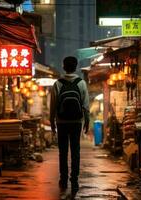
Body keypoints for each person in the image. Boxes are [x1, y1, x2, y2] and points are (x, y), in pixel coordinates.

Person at [50, 56, 89, 195]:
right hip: (76, 122)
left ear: (63, 66)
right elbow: (85, 105)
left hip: (61, 122)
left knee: (63, 152)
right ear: (76, 66)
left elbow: (53, 106)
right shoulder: (81, 83)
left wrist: (52, 123)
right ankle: (75, 181)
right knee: (75, 152)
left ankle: (63, 179)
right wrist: (87, 122)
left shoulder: (57, 84)